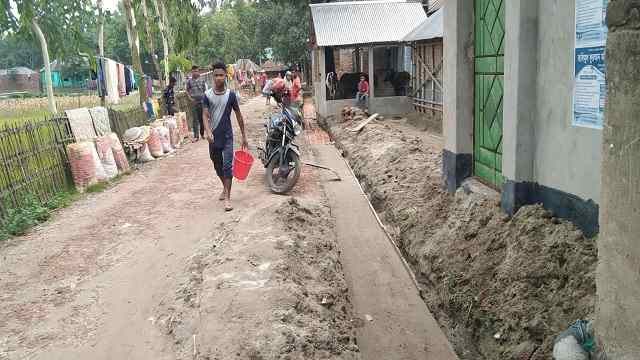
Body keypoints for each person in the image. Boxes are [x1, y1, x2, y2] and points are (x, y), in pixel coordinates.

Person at [202, 61, 249, 212]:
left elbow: (239, 116)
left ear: (226, 76)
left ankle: (227, 198)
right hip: (214, 138)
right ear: (212, 77)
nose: (218, 78)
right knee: (217, 165)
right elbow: (204, 114)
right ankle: (224, 186)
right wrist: (208, 131)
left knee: (227, 166)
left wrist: (244, 136)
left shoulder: (231, 96)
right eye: (216, 75)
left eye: (221, 75)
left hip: (228, 136)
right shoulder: (207, 95)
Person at [186, 65, 208, 141]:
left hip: (202, 101)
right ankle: (196, 136)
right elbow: (187, 91)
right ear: (191, 72)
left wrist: (205, 99)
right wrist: (190, 98)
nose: (195, 72)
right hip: (194, 102)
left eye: (197, 71)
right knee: (195, 119)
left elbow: (205, 90)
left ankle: (202, 134)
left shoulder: (202, 80)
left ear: (198, 71)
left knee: (202, 118)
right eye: (194, 71)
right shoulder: (189, 81)